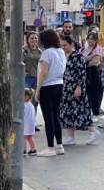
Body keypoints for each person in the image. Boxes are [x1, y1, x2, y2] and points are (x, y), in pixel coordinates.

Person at [35, 28, 67, 156]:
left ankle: (50, 147)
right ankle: (59, 145)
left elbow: (43, 72)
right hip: (59, 84)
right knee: (56, 116)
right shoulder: (61, 52)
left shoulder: (46, 53)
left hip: (47, 86)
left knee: (48, 118)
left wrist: (38, 89)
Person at [59, 35, 95, 146]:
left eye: (65, 45)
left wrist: (79, 87)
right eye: (61, 45)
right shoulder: (66, 56)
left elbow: (81, 73)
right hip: (67, 88)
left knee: (82, 110)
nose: (63, 47)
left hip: (75, 87)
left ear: (71, 44)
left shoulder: (78, 56)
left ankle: (93, 131)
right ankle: (71, 137)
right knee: (68, 112)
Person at [82, 32, 104, 119]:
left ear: (96, 40)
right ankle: (87, 111)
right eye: (89, 39)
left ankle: (95, 113)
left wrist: (85, 62)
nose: (90, 41)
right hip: (85, 72)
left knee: (94, 93)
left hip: (93, 72)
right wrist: (88, 59)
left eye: (92, 39)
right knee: (86, 92)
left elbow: (95, 62)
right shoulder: (85, 48)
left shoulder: (98, 49)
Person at [23, 89, 37, 155]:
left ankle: (24, 150)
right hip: (31, 124)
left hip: (25, 124)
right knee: (30, 137)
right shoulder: (31, 105)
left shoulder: (23, 105)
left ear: (27, 96)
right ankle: (33, 149)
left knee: (24, 138)